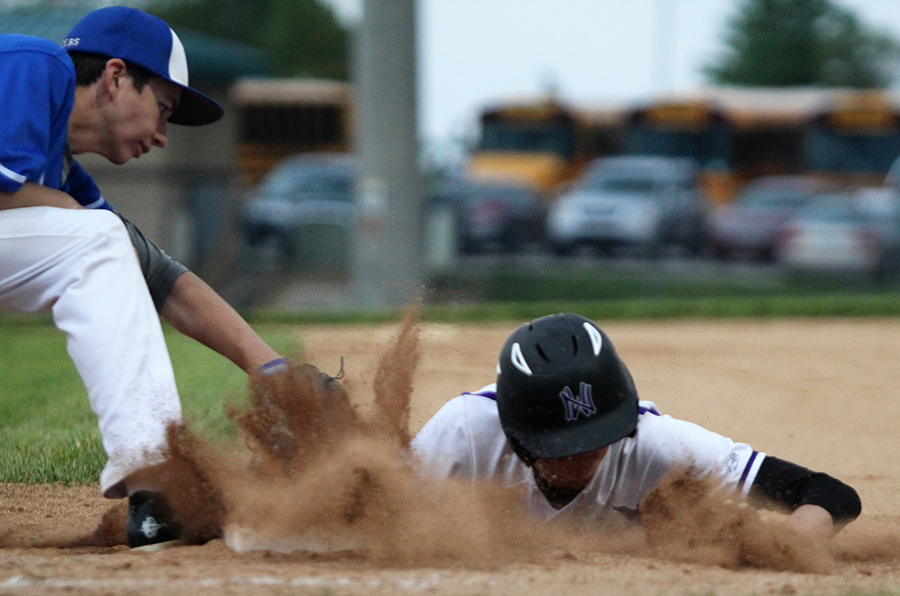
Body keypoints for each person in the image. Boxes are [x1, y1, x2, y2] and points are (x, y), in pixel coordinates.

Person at [0, 6, 291, 547]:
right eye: (162, 109)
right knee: (100, 238)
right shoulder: (33, 65)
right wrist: (82, 218)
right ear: (114, 77)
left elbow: (158, 276)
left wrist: (271, 368)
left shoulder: (61, 172)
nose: (162, 136)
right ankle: (159, 484)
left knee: (104, 239)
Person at [411, 313, 861, 539]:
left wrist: (789, 542)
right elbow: (378, 505)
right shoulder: (465, 431)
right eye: (562, 445)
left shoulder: (657, 447)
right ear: (517, 434)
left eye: (596, 436)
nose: (584, 454)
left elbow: (830, 494)